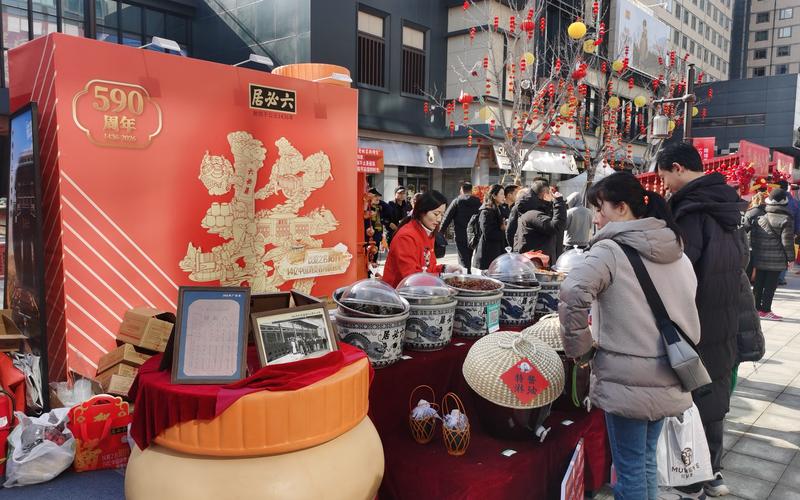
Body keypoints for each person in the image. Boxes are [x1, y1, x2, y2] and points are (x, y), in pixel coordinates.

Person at [559, 172, 701, 500]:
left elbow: (573, 291)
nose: (595, 218)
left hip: (628, 376)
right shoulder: (674, 246)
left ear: (621, 208)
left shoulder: (610, 249)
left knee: (631, 468)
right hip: (671, 368)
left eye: (599, 208)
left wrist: (579, 350)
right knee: (645, 461)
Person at [657, 142, 746, 498]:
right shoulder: (726, 205)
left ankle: (692, 477)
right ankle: (714, 473)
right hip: (725, 316)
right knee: (715, 394)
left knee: (690, 400)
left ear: (678, 168)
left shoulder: (690, 213)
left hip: (694, 321)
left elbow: (679, 274)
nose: (663, 186)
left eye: (664, 176)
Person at [382, 190, 464, 287]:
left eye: (442, 215)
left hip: (419, 292)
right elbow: (412, 278)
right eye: (436, 214)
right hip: (400, 294)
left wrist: (445, 268)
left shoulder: (428, 233)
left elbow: (427, 268)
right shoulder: (406, 237)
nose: (439, 219)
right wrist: (442, 277)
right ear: (422, 212)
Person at [749, 188, 796, 320]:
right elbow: (787, 242)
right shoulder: (786, 219)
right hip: (776, 260)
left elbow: (754, 239)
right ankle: (766, 310)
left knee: (758, 284)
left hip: (760, 258)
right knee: (770, 286)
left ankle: (755, 308)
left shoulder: (761, 217)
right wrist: (790, 259)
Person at [512, 182, 567, 261]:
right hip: (537, 262)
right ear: (545, 195)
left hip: (535, 260)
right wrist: (559, 202)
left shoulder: (533, 212)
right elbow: (556, 227)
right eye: (550, 194)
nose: (552, 197)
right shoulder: (533, 214)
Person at [441, 182, 482, 274]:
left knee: (463, 258)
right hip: (473, 235)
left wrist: (441, 232)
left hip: (460, 233)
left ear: (461, 190)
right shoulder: (478, 201)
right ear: (471, 191)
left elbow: (447, 217)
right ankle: (468, 273)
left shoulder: (457, 201)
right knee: (469, 255)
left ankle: (465, 276)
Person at [473, 184, 507, 272]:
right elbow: (488, 233)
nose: (504, 196)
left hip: (496, 251)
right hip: (487, 253)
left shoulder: (499, 208)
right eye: (502, 194)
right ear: (494, 196)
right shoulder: (486, 211)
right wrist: (503, 230)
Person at [776, 180, 800, 285]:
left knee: (775, 252)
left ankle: (775, 276)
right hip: (790, 231)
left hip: (775, 229)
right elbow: (798, 219)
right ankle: (781, 277)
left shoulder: (774, 199)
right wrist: (796, 232)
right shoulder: (794, 202)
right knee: (786, 254)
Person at [744, 191, 768, 282]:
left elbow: (745, 228)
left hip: (751, 242)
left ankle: (749, 280)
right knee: (760, 264)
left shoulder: (750, 213)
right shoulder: (767, 212)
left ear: (754, 200)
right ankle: (758, 280)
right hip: (764, 242)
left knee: (750, 263)